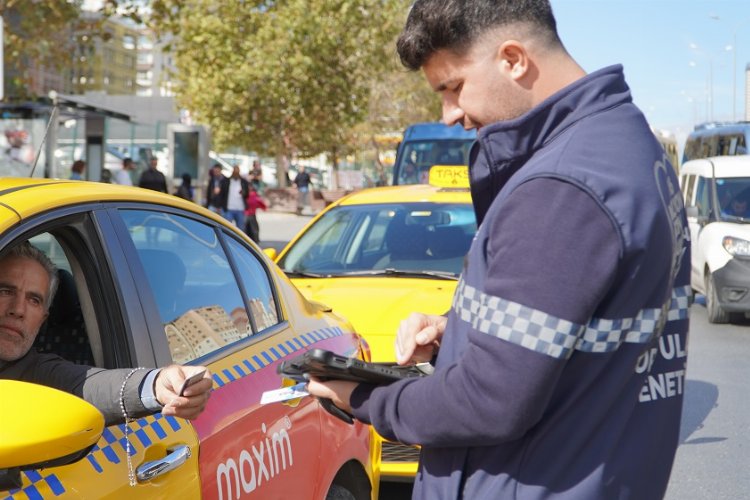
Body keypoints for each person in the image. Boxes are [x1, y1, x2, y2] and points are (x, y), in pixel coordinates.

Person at [307, 1, 691, 499]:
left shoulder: (561, 187)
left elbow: (490, 401)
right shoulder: (622, 143)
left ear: (513, 59)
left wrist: (364, 397)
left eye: (452, 87)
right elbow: (579, 326)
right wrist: (461, 333)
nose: (449, 115)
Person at [0, 242, 212, 425]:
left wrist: (157, 383)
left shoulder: (37, 373)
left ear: (43, 319)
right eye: (5, 291)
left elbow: (89, 385)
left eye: (33, 300)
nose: (18, 309)